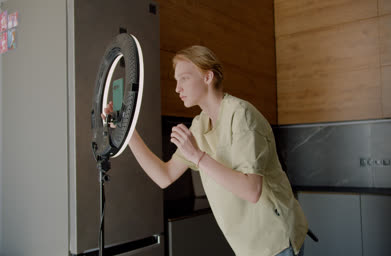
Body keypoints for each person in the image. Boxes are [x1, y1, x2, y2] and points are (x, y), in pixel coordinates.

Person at [104, 45, 308, 256]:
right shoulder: (199, 125)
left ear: (208, 77)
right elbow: (164, 176)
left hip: (276, 240)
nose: (177, 88)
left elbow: (251, 190)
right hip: (248, 247)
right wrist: (127, 132)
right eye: (176, 80)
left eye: (184, 78)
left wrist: (198, 157)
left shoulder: (241, 116)